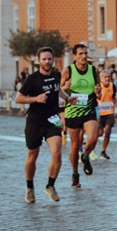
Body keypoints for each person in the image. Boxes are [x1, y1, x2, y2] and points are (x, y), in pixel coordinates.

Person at [15, 47, 77, 203]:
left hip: (52, 120)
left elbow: (58, 90)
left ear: (53, 60)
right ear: (38, 61)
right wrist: (35, 99)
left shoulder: (56, 75)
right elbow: (18, 98)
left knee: (57, 153)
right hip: (35, 121)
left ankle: (50, 186)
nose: (47, 61)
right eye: (44, 59)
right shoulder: (31, 79)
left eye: (50, 59)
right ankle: (29, 187)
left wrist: (67, 98)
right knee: (32, 155)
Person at [61, 44, 101, 188]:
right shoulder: (68, 71)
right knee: (74, 145)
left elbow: (99, 90)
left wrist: (98, 91)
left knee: (93, 137)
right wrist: (65, 87)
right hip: (72, 111)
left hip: (89, 109)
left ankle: (85, 156)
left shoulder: (93, 70)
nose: (84, 56)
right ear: (74, 56)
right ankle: (75, 174)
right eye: (80, 54)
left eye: (85, 53)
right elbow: (59, 91)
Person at [96, 70, 117, 160]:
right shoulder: (98, 86)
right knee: (100, 133)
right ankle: (89, 143)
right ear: (101, 78)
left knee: (108, 132)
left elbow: (113, 97)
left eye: (109, 77)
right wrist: (97, 95)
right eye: (105, 77)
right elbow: (96, 97)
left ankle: (103, 151)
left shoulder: (113, 86)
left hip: (109, 112)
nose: (107, 79)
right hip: (99, 113)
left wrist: (116, 103)